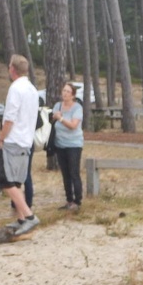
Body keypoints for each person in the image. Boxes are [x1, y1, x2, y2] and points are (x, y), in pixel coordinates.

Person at [0, 55, 40, 235]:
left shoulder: (15, 89)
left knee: (4, 180)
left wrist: (1, 137)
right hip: (26, 140)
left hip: (13, 140)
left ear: (12, 69)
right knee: (16, 180)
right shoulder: (32, 89)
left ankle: (30, 216)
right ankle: (21, 218)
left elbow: (10, 118)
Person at [52, 82, 84, 211]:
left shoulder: (77, 108)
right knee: (65, 173)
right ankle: (69, 199)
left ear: (73, 95)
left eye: (68, 92)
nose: (64, 94)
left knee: (74, 172)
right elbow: (52, 118)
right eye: (63, 91)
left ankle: (78, 200)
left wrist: (60, 119)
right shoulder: (57, 106)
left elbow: (73, 125)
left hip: (74, 145)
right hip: (60, 144)